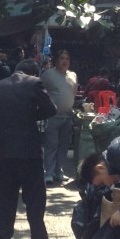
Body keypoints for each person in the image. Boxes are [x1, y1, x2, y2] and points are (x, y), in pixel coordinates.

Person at [0, 58, 58, 239]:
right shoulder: (35, 84)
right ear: (33, 73)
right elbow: (51, 109)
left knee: (6, 200)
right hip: (29, 153)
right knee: (35, 201)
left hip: (4, 152)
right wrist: (29, 116)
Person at [40, 49, 78, 184]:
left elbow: (73, 93)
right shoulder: (48, 74)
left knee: (63, 146)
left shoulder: (73, 75)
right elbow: (41, 92)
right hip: (52, 117)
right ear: (56, 60)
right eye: (62, 58)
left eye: (67, 58)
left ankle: (58, 171)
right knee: (51, 145)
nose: (64, 61)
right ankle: (48, 173)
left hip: (67, 117)